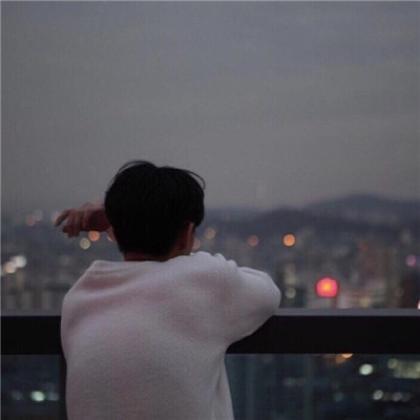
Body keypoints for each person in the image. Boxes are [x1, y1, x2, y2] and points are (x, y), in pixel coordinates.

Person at [55, 160, 281, 420]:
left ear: (114, 232)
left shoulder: (80, 297)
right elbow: (268, 292)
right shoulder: (205, 281)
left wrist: (119, 216)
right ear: (187, 233)